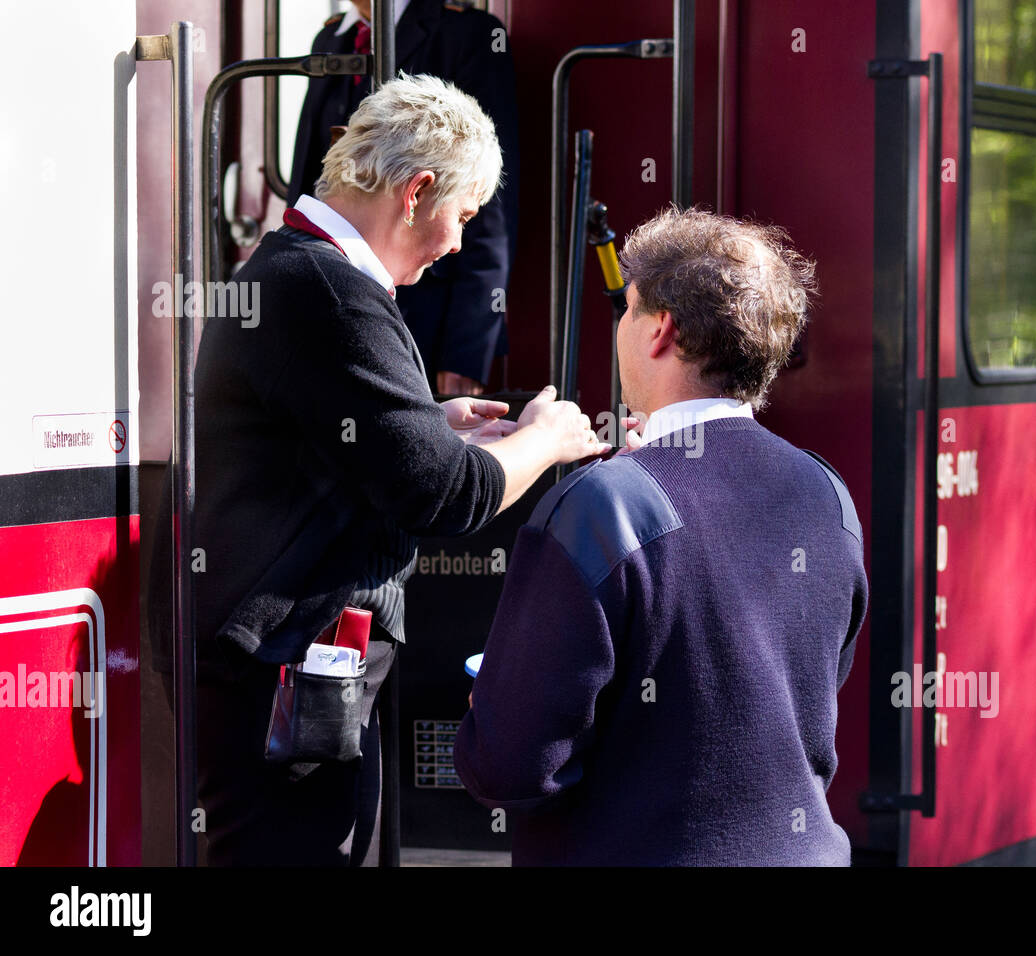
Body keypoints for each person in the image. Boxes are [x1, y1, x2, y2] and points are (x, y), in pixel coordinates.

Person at [193, 74, 607, 866]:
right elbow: (446, 495)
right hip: (289, 665)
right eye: (463, 216)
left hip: (287, 665)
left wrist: (428, 421)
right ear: (417, 192)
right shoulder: (334, 294)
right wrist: (547, 437)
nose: (457, 243)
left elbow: (327, 438)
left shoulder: (295, 271)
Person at [454, 207, 868, 866]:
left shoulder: (601, 508)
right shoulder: (826, 494)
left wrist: (491, 700)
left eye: (628, 309)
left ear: (660, 331)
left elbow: (511, 767)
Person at [289, 0, 520, 396]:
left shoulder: (465, 35)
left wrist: (466, 350)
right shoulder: (331, 38)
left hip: (427, 310)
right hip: (334, 296)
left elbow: (486, 208)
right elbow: (310, 176)